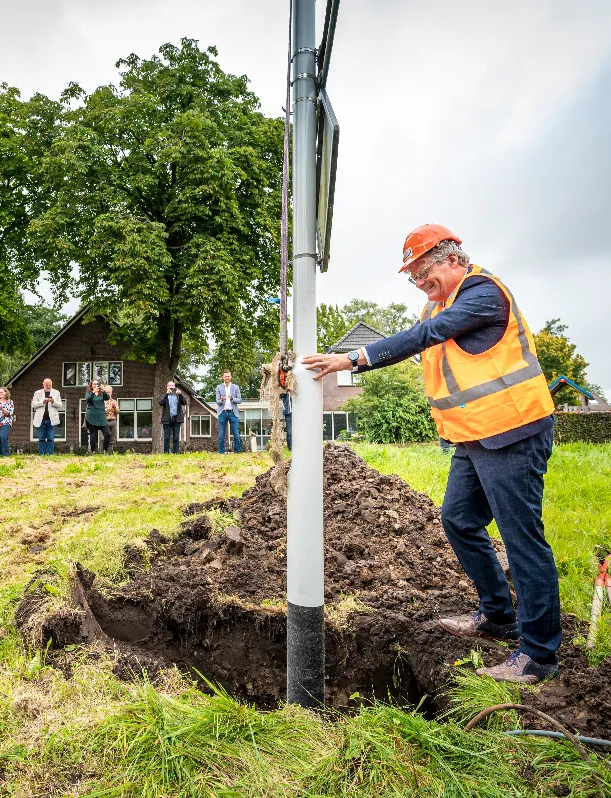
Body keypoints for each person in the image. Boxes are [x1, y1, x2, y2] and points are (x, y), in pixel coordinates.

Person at [302, 224, 560, 685]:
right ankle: (498, 615)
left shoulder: (483, 294)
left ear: (453, 259)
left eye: (424, 272)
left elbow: (427, 335)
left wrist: (352, 359)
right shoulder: (438, 303)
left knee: (522, 541)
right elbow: (425, 340)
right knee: (458, 520)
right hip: (474, 436)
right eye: (413, 277)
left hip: (512, 432)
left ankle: (538, 654)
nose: (420, 282)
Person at [31, 378, 62, 455]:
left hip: (51, 419)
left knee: (50, 438)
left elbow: (60, 405)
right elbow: (33, 405)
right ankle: (41, 454)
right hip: (40, 419)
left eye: (49, 385)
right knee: (41, 438)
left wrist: (53, 401)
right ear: (43, 385)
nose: (48, 386)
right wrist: (42, 402)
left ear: (51, 385)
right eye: (46, 385)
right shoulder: (37, 393)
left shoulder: (56, 392)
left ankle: (50, 454)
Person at [214, 371, 243, 454]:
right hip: (222, 413)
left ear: (231, 377)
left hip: (233, 413)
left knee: (236, 434)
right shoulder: (218, 387)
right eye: (225, 376)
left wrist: (232, 398)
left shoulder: (236, 387)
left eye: (228, 376)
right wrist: (221, 400)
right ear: (223, 377)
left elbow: (240, 400)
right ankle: (221, 452)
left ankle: (237, 451)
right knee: (221, 435)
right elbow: (217, 401)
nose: (227, 377)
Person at [159, 381, 188, 454]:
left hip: (176, 419)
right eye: (169, 385)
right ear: (167, 387)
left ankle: (175, 453)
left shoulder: (178, 395)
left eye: (172, 385)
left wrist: (180, 395)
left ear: (174, 387)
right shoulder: (164, 396)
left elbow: (184, 402)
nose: (171, 387)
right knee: (166, 438)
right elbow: (160, 402)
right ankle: (166, 453)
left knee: (176, 437)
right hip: (167, 419)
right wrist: (166, 394)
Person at [83, 379, 110, 454]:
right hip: (92, 417)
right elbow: (88, 400)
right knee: (93, 435)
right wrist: (93, 392)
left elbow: (107, 398)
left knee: (107, 434)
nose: (95, 385)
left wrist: (103, 390)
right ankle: (93, 451)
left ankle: (105, 451)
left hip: (102, 417)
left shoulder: (102, 393)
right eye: (94, 384)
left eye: (97, 384)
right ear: (91, 385)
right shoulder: (89, 393)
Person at [103, 385, 118, 453]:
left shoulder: (114, 401)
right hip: (105, 421)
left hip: (113, 421)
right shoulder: (102, 402)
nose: (108, 393)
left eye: (109, 392)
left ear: (111, 393)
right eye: (107, 392)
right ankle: (104, 452)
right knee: (105, 437)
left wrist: (114, 407)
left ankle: (110, 453)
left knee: (112, 439)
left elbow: (117, 412)